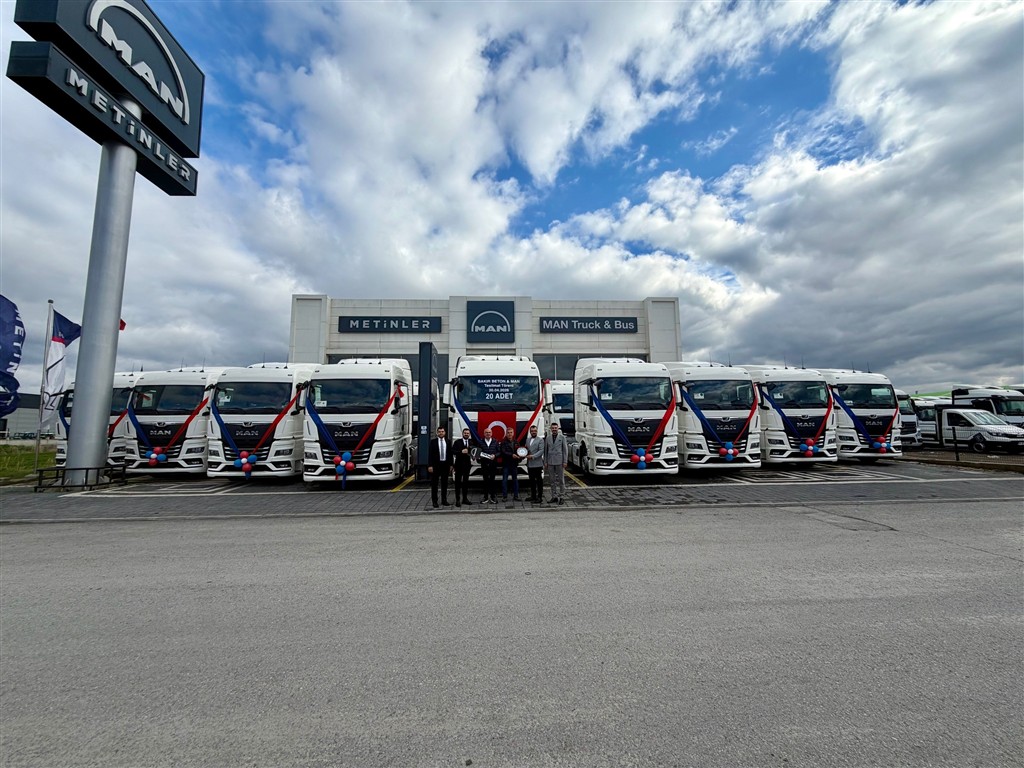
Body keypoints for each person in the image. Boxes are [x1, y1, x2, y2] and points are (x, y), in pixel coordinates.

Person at [427, 426, 453, 508]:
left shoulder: (448, 442)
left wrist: (451, 465)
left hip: (445, 465)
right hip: (436, 465)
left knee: (444, 484)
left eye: (442, 431)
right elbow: (430, 454)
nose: (441, 433)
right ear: (437, 433)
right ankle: (435, 501)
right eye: (439, 431)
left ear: (445, 433)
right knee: (434, 484)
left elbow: (450, 454)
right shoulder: (433, 442)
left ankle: (444, 500)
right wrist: (430, 465)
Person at [451, 428, 476, 507]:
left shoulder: (471, 442)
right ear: (462, 434)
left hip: (467, 465)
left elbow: (474, 452)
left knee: (466, 483)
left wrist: (474, 456)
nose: (466, 434)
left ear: (469, 434)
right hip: (458, 465)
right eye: (465, 433)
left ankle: (465, 499)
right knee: (457, 483)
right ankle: (458, 499)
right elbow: (453, 451)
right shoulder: (457, 442)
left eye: (467, 433)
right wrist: (461, 452)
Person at [544, 422, 569, 505]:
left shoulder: (562, 438)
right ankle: (554, 496)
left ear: (558, 428)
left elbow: (565, 450)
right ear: (551, 429)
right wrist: (545, 461)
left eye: (555, 428)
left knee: (561, 480)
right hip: (550, 461)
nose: (554, 429)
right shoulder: (548, 438)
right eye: (553, 428)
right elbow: (546, 451)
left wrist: (565, 461)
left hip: (560, 461)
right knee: (552, 480)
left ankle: (562, 496)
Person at [477, 427, 499, 503]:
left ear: (491, 433)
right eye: (486, 432)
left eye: (489, 432)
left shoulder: (495, 442)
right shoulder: (480, 442)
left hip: (493, 464)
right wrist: (480, 456)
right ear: (484, 434)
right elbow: (478, 453)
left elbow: (499, 452)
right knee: (485, 480)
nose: (488, 434)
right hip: (484, 464)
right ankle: (485, 497)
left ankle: (493, 497)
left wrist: (495, 455)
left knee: (493, 480)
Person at [499, 431, 522, 501]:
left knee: (515, 480)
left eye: (511, 432)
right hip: (506, 464)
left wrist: (520, 456)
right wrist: (511, 455)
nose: (510, 434)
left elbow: (519, 451)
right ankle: (504, 496)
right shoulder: (503, 442)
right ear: (506, 434)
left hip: (514, 464)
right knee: (504, 480)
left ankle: (516, 496)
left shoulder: (516, 442)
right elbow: (503, 452)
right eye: (508, 433)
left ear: (513, 433)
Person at [525, 424, 545, 503]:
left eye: (535, 431)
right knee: (532, 481)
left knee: (539, 481)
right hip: (530, 464)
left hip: (537, 464)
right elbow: (526, 450)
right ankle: (533, 496)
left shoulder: (540, 440)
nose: (533, 432)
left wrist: (533, 456)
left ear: (537, 431)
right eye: (532, 431)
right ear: (530, 432)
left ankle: (539, 497)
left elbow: (541, 451)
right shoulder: (527, 440)